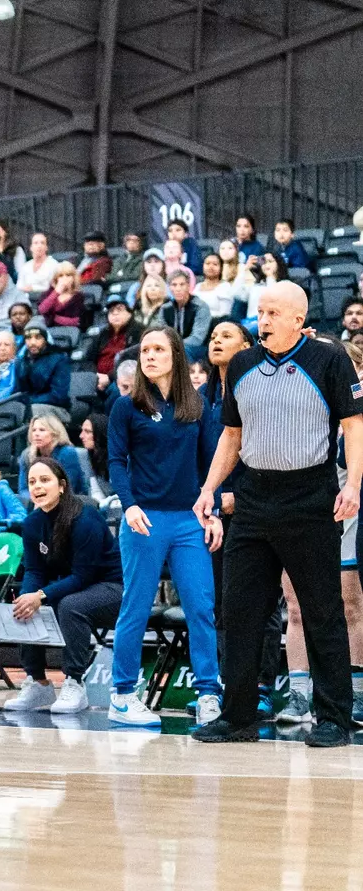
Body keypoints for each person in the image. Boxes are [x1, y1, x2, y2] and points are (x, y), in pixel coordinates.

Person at [194, 282, 363, 746]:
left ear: (297, 319)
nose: (263, 320)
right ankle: (238, 716)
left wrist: (353, 483)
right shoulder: (242, 364)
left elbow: (354, 425)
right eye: (260, 312)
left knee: (322, 611)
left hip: (310, 498)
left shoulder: (329, 360)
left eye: (272, 313)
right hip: (252, 499)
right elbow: (231, 435)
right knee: (240, 610)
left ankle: (334, 719)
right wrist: (209, 488)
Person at [104, 327, 222, 728]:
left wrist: (213, 511)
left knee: (200, 607)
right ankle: (122, 695)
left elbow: (210, 463)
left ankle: (208, 694)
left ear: (176, 356)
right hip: (144, 519)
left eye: (158, 349)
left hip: (189, 520)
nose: (150, 356)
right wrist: (129, 506)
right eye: (145, 350)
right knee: (135, 607)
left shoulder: (198, 405)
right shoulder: (126, 406)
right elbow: (115, 462)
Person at [1, 457, 124, 714]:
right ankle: (38, 683)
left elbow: (83, 576)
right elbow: (34, 570)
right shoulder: (32, 523)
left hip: (112, 588)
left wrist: (41, 595)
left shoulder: (85, 518)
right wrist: (27, 597)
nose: (37, 486)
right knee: (25, 605)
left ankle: (74, 683)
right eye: (32, 482)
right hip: (75, 587)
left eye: (45, 480)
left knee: (69, 605)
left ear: (62, 486)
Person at [18, 413, 87, 496]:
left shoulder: (67, 453)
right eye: (34, 430)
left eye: (42, 430)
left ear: (54, 433)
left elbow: (66, 489)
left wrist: (40, 498)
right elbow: (24, 490)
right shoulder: (27, 455)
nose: (36, 434)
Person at [13, 324, 71, 419]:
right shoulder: (21, 361)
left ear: (45, 339)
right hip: (29, 406)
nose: (32, 342)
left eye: (38, 338)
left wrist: (29, 401)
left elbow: (58, 396)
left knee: (32, 410)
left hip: (57, 409)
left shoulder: (59, 359)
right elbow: (17, 392)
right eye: (28, 338)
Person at [84, 295, 140, 393]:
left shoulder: (138, 332)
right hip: (98, 379)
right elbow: (88, 359)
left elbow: (133, 362)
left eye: (119, 309)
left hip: (123, 378)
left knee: (116, 390)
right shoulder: (103, 333)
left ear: (129, 313)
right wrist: (95, 376)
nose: (115, 313)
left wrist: (109, 377)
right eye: (111, 311)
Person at [160, 270, 212, 362]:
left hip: (198, 349)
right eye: (174, 285)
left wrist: (175, 345)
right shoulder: (165, 308)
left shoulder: (200, 306)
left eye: (182, 284)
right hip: (171, 346)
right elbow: (161, 332)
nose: (178, 289)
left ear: (188, 286)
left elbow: (197, 338)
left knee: (183, 350)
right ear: (169, 288)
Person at [15, 232, 62, 298]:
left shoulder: (54, 265)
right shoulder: (25, 267)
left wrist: (33, 288)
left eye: (42, 243)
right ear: (31, 247)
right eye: (36, 243)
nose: (39, 246)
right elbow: (19, 286)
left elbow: (55, 287)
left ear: (46, 247)